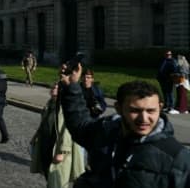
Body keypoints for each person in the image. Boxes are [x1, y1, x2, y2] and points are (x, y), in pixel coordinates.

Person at [60, 65, 190, 187]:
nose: (144, 119)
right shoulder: (106, 132)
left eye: (151, 111)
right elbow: (80, 126)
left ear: (160, 108)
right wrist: (72, 85)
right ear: (118, 108)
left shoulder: (177, 157)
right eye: (135, 111)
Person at [31, 83, 86, 187]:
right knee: (49, 175)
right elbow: (44, 123)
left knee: (59, 179)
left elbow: (67, 130)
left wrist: (63, 152)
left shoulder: (65, 107)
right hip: (47, 145)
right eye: (53, 87)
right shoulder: (50, 104)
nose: (54, 89)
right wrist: (36, 136)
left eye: (57, 88)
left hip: (59, 148)